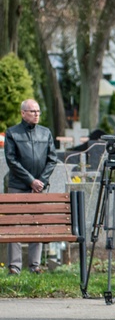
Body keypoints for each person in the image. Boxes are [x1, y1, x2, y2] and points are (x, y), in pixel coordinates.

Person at [4, 99, 57, 275]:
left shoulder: (45, 133)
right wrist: (30, 180)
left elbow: (52, 159)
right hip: (18, 185)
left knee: (37, 224)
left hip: (39, 187)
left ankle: (34, 265)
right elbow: (12, 160)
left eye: (38, 111)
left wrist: (40, 181)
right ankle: (14, 266)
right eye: (32, 111)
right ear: (23, 113)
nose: (36, 114)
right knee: (16, 224)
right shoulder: (12, 133)